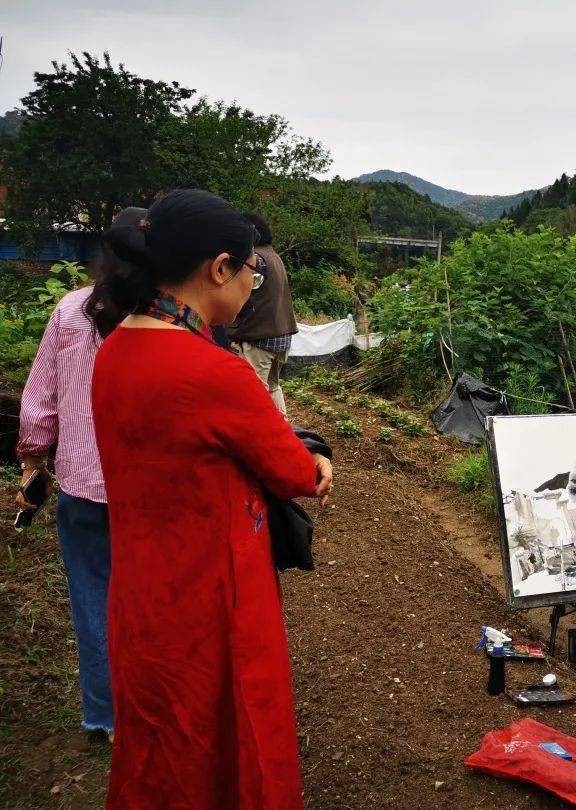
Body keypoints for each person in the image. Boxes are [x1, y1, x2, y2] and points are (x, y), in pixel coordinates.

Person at [88, 189, 333, 808]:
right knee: (233, 738)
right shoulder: (213, 371)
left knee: (159, 741)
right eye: (252, 271)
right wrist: (318, 461)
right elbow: (295, 474)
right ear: (218, 268)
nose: (255, 285)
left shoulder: (116, 348)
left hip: (142, 590)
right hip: (213, 593)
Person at [13, 207, 147, 741]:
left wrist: (32, 461)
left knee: (93, 599)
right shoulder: (165, 318)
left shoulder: (70, 311)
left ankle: (105, 715)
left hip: (83, 483)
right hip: (149, 488)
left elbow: (40, 397)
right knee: (149, 600)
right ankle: (149, 707)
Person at [229, 212, 298, 414]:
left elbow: (243, 294)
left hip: (260, 336)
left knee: (253, 391)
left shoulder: (255, 259)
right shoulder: (273, 255)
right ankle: (282, 428)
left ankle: (260, 436)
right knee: (273, 387)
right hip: (282, 336)